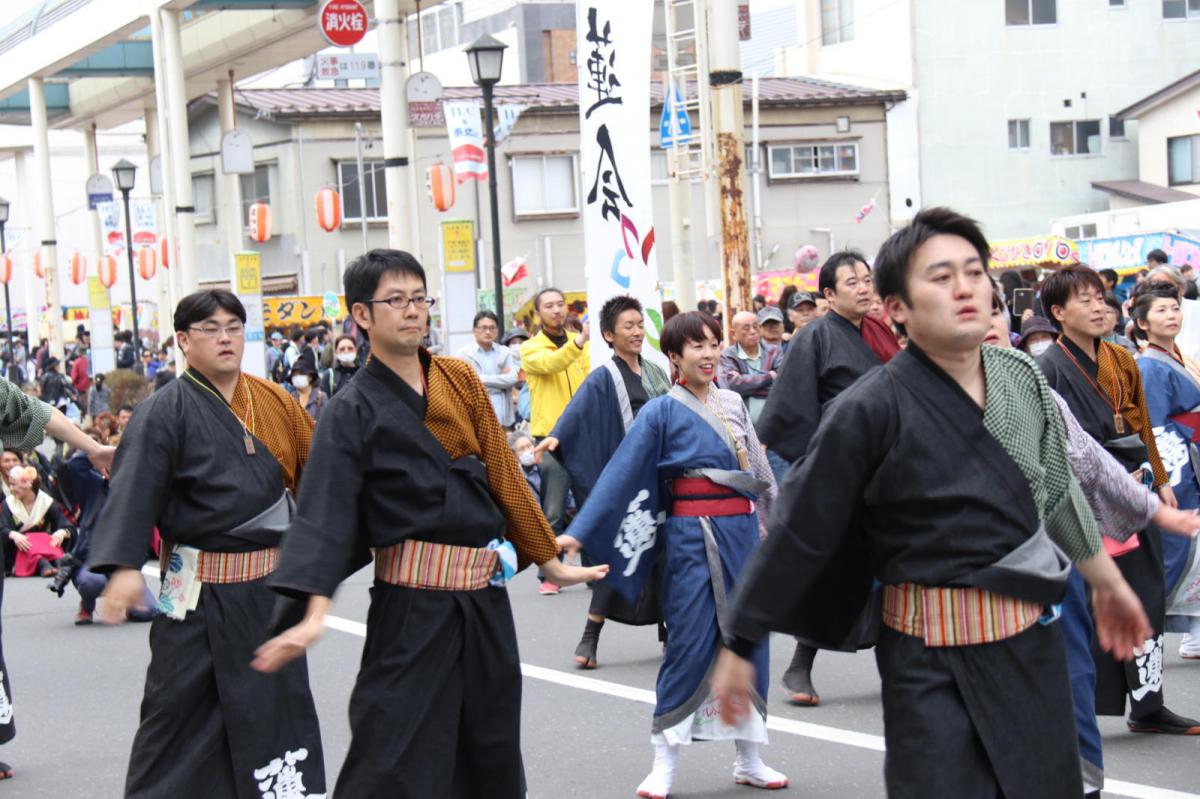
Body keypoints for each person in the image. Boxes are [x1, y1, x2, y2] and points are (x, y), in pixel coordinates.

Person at [715, 206, 1152, 799]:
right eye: (941, 277)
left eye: (974, 272)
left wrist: (1107, 583)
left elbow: (1056, 488)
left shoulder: (1019, 376)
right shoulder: (869, 408)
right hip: (928, 659)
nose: (966, 288)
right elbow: (802, 529)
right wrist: (742, 644)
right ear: (896, 307)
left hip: (1030, 646)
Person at [253, 249, 605, 798]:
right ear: (362, 315)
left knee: (489, 748)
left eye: (420, 298)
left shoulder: (459, 379)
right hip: (411, 607)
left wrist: (549, 559)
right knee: (391, 753)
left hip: (484, 604)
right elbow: (326, 514)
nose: (413, 310)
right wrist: (311, 613)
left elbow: (503, 472)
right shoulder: (351, 409)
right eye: (396, 300)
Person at [90, 289, 324, 799]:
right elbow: (134, 490)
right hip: (195, 597)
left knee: (275, 718)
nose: (225, 338)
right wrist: (124, 567)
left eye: (234, 327)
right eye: (210, 329)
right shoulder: (162, 411)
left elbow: (320, 475)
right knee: (177, 720)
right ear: (182, 340)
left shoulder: (274, 401)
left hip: (268, 596)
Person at [560, 311, 783, 798]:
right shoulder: (661, 411)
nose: (708, 354)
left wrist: (779, 523)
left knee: (748, 642)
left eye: (713, 344)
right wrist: (580, 530)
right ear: (675, 357)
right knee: (688, 642)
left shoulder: (733, 403)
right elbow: (620, 473)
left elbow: (760, 471)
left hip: (742, 534)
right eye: (696, 346)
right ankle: (663, 762)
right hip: (690, 538)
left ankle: (749, 758)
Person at [1036, 265, 1200, 738]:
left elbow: (1144, 422)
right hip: (1086, 499)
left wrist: (1160, 477)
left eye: (1100, 298)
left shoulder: (1120, 357)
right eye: (1084, 300)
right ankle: (1081, 706)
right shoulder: (1048, 367)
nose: (1098, 308)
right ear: (1058, 312)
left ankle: (1149, 703)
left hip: (1135, 487)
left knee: (1146, 593)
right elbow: (1057, 442)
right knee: (1091, 603)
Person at [753, 251, 899, 705]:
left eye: (866, 279)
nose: (863, 288)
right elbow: (791, 406)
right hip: (843, 470)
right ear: (830, 296)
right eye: (851, 282)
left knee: (897, 571)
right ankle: (799, 666)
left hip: (888, 472)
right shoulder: (815, 336)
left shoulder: (878, 332)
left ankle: (899, 669)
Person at [534, 295, 672, 668]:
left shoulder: (656, 372)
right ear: (609, 335)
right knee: (619, 554)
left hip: (661, 477)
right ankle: (589, 637)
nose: (637, 332)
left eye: (640, 325)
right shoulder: (604, 376)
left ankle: (670, 637)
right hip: (630, 483)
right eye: (628, 326)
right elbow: (576, 412)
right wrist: (557, 437)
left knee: (667, 557)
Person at [1130, 285, 1200, 654]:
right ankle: (1145, 634)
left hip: (1189, 453)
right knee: (1179, 552)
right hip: (1177, 465)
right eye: (1161, 310)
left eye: (1175, 308)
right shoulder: (1149, 366)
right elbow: (1154, 425)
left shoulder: (1176, 356)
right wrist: (1164, 478)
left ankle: (1194, 633)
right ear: (1142, 323)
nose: (1171, 315)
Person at [521, 288, 590, 541]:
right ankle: (551, 563)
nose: (556, 310)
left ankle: (593, 563)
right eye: (549, 306)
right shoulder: (530, 348)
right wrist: (578, 343)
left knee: (589, 506)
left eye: (560, 304)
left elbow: (591, 378)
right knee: (553, 511)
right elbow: (552, 363)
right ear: (538, 313)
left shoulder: (581, 341)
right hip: (550, 437)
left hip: (583, 434)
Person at [718, 310, 784, 481]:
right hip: (744, 434)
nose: (753, 331)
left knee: (780, 483)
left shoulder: (775, 351)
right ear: (734, 334)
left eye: (756, 326)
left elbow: (783, 384)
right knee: (754, 485)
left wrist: (746, 382)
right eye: (746, 328)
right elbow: (731, 387)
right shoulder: (728, 355)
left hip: (775, 432)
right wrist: (769, 376)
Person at [1, 466, 73, 578]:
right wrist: (13, 534)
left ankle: (56, 561)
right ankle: (43, 563)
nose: (11, 489)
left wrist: (62, 532)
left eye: (14, 485)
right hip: (20, 549)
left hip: (45, 544)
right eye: (10, 484)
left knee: (45, 538)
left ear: (27, 484)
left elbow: (67, 525)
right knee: (29, 539)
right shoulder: (8, 504)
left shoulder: (46, 502)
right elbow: (2, 526)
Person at [456, 310, 518, 429]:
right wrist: (500, 381)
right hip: (476, 419)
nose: (488, 332)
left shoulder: (505, 352)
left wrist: (478, 378)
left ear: (497, 330)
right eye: (484, 328)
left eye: (492, 328)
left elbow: (512, 379)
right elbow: (463, 384)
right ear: (474, 330)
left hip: (503, 418)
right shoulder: (463, 355)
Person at [287, 358, 328, 423]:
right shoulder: (290, 398)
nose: (297, 377)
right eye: (294, 375)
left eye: (301, 374)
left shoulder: (321, 397)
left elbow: (327, 420)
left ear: (310, 377)